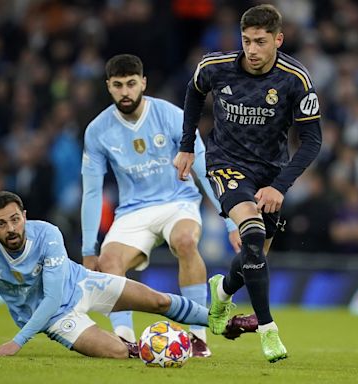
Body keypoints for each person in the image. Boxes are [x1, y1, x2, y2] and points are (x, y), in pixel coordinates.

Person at [174, 4, 322, 363]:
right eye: (246, 41)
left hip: (271, 173)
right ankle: (269, 330)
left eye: (260, 41)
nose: (252, 50)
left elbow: (313, 141)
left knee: (252, 256)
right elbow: (194, 93)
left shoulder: (295, 79)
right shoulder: (215, 67)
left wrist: (280, 186)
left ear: (278, 40)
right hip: (226, 164)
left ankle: (221, 293)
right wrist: (187, 147)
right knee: (252, 235)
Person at [0, 190, 241, 357]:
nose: (11, 229)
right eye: (2, 224)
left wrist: (16, 343)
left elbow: (54, 293)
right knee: (117, 353)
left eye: (15, 220)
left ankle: (224, 324)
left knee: (158, 301)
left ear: (25, 217)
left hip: (80, 284)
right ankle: (152, 349)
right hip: (54, 317)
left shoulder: (47, 234)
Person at [80, 54, 240, 358]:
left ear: (143, 83)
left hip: (177, 202)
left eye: (130, 83)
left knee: (184, 241)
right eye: (118, 85)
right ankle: (124, 338)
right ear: (108, 87)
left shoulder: (170, 115)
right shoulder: (97, 130)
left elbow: (204, 166)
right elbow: (91, 191)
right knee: (108, 262)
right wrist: (89, 248)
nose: (125, 91)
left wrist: (230, 220)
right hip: (132, 210)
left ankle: (197, 336)